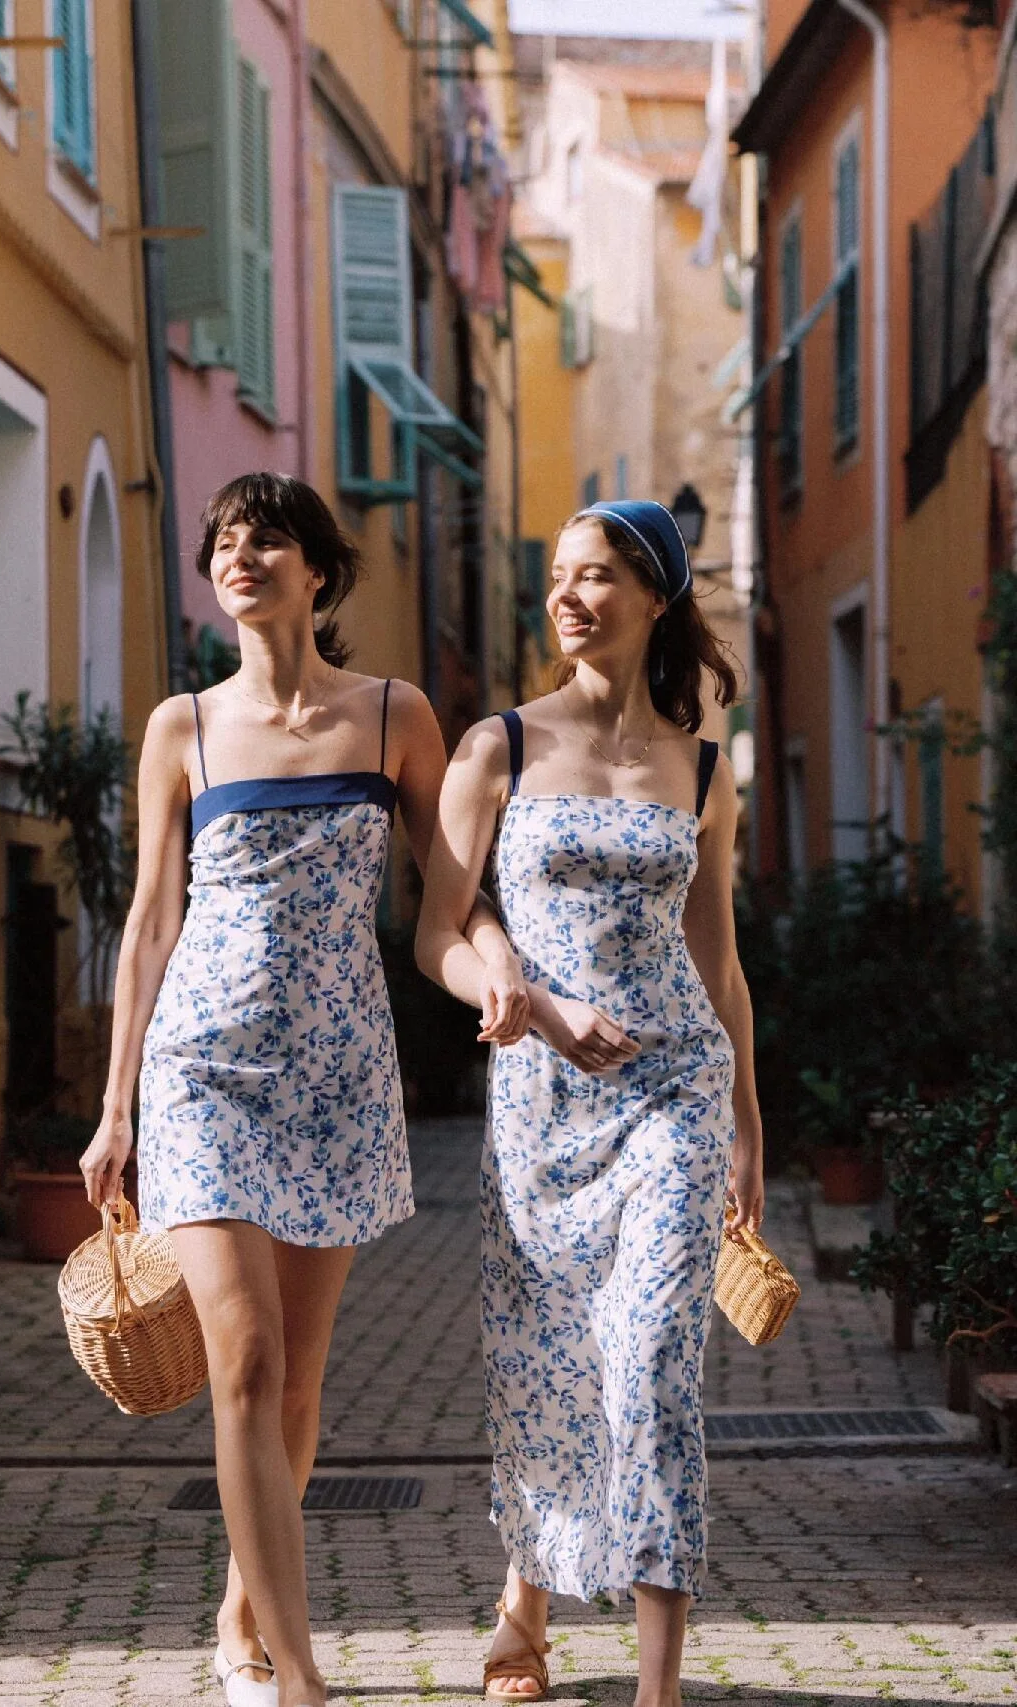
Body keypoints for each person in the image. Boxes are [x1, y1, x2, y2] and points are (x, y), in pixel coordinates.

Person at [77, 473, 525, 1707]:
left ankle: (236, 1614)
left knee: (302, 1386)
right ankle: (298, 1674)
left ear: (316, 573)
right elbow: (148, 922)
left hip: (335, 1077)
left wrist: (493, 972)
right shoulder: (183, 726)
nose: (239, 556)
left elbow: (448, 887)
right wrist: (116, 1104)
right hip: (201, 1072)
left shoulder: (392, 715)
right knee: (246, 1363)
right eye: (223, 541)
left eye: (265, 539)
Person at [416, 499, 766, 1705]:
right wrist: (521, 992)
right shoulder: (494, 748)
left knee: (653, 1362)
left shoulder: (704, 763)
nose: (570, 594)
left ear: (654, 595)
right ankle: (526, 1603)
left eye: (600, 574)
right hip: (539, 1105)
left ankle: (656, 1686)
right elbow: (435, 934)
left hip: (674, 1088)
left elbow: (718, 964)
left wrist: (746, 1133)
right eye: (560, 575)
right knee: (551, 1361)